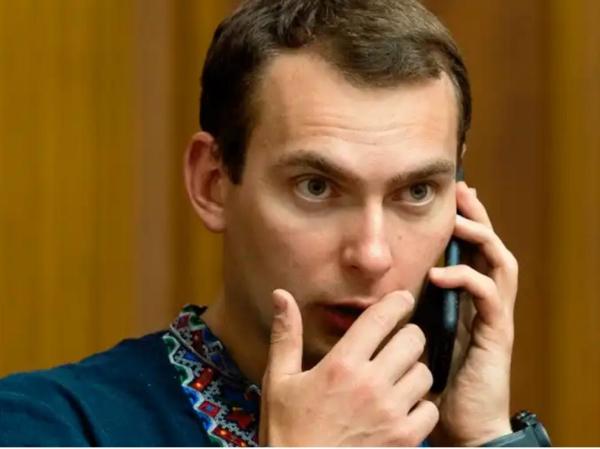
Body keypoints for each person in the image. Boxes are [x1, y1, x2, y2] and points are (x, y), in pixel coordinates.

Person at [0, 0, 547, 446]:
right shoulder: (41, 427)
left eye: (417, 192)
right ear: (212, 183)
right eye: (316, 187)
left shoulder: (449, 435)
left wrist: (487, 438)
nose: (372, 254)